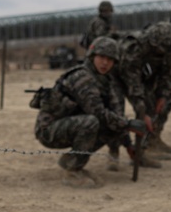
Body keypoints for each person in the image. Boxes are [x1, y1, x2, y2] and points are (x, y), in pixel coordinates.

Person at [34, 37, 147, 187]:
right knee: (92, 122)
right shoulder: (82, 76)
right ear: (92, 56)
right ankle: (73, 171)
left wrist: (128, 145)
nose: (105, 63)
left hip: (70, 125)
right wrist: (128, 124)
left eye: (110, 59)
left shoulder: (107, 81)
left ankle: (71, 160)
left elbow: (116, 115)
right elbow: (98, 112)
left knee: (114, 126)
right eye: (101, 57)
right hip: (49, 130)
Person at [116, 21, 171, 167]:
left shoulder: (168, 47)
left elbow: (167, 71)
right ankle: (113, 153)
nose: (163, 53)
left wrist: (163, 95)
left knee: (151, 111)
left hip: (143, 77)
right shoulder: (134, 47)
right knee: (117, 112)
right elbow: (132, 81)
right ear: (153, 43)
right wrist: (140, 107)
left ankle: (141, 153)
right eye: (160, 50)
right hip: (118, 77)